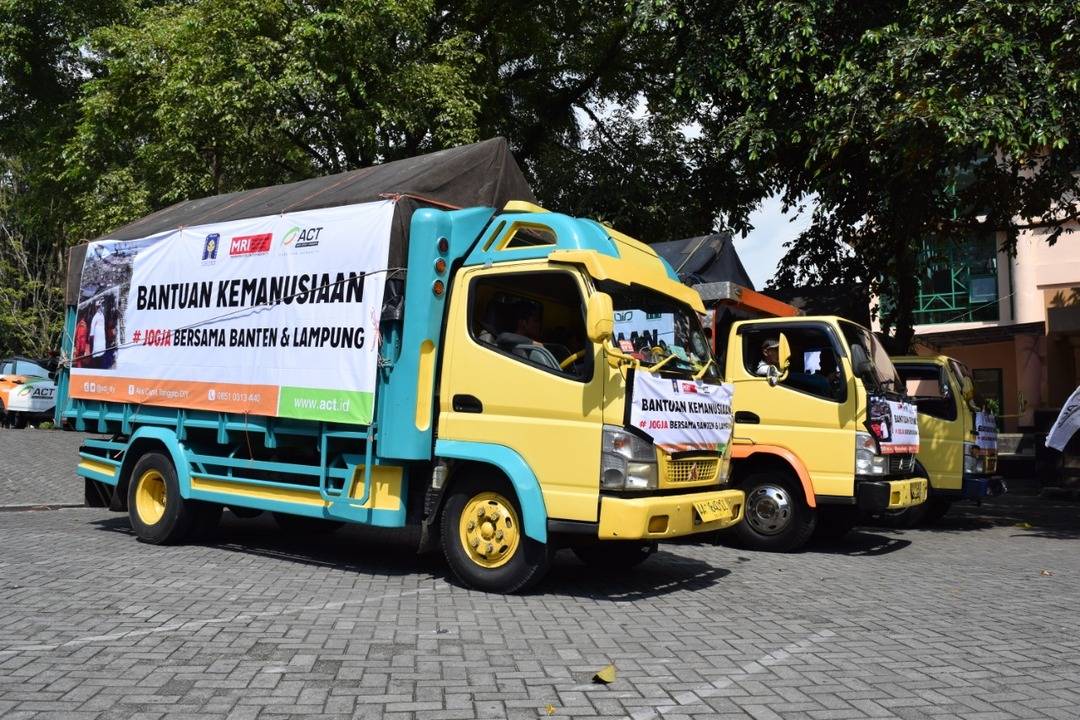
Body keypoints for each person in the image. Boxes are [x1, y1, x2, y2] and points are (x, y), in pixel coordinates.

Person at [90, 302, 106, 369]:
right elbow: (92, 325)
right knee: (97, 347)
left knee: (102, 346)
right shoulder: (95, 316)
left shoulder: (102, 315)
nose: (99, 308)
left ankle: (101, 356)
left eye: (100, 306)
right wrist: (92, 334)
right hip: (97, 333)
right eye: (98, 307)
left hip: (102, 333)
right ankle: (96, 360)